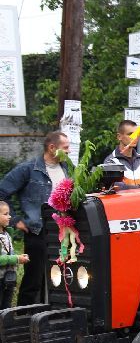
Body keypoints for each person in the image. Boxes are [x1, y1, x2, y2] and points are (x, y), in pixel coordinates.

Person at [0, 131, 70, 305]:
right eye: (65, 147)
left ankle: (52, 312)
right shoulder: (28, 169)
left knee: (59, 277)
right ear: (52, 147)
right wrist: (15, 220)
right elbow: (2, 192)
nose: (68, 151)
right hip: (38, 230)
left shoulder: (66, 168)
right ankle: (24, 315)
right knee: (34, 279)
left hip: (63, 231)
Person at [104, 119, 140, 189]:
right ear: (119, 137)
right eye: (130, 134)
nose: (134, 137)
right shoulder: (111, 161)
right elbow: (116, 188)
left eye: (136, 134)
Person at [0, 201, 30, 309]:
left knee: (6, 309)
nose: (9, 216)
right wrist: (16, 259)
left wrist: (19, 257)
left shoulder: (7, 233)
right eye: (5, 214)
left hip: (8, 279)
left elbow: (7, 253)